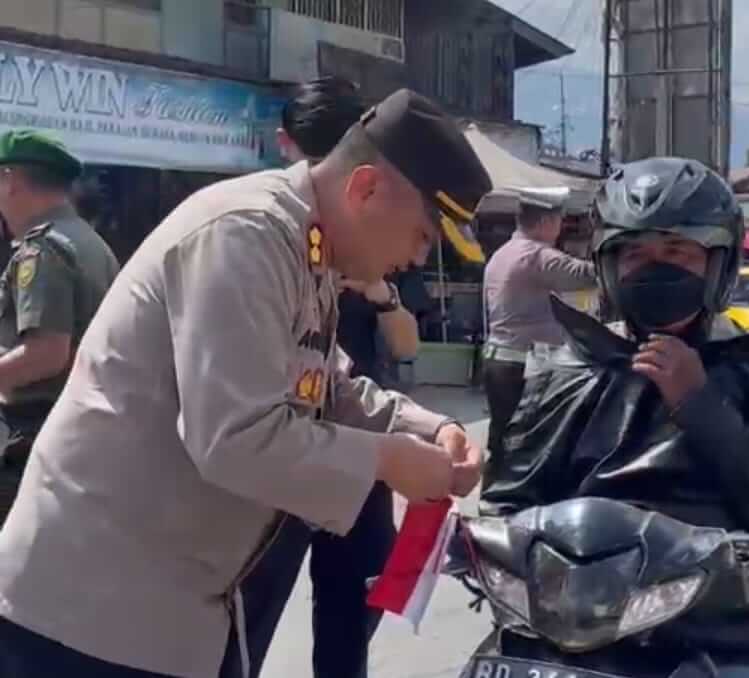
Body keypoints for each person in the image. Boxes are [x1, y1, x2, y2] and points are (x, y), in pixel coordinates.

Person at [0, 88, 492, 678]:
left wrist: (430, 427)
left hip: (172, 606)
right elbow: (235, 439)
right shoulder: (247, 234)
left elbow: (323, 383)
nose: (417, 259)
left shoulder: (304, 247)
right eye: (423, 236)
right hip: (88, 614)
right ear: (365, 189)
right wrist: (387, 460)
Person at [481, 157, 749, 678]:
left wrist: (700, 405)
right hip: (573, 645)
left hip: (721, 646)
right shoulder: (571, 375)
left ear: (718, 264)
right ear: (610, 266)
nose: (656, 267)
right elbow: (506, 510)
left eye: (678, 251)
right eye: (636, 252)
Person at [235, 76, 427, 678]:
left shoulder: (383, 243)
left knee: (353, 603)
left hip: (360, 446)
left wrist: (382, 293)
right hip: (281, 450)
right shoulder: (268, 238)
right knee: (250, 606)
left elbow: (407, 346)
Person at [0, 130, 119, 526]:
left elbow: (47, 354)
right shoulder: (88, 241)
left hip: (33, 435)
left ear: (11, 180)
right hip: (77, 430)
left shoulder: (44, 249)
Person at [481, 186, 596, 487]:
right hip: (523, 366)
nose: (560, 229)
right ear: (545, 222)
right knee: (531, 442)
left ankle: (492, 498)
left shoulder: (502, 253)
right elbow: (588, 275)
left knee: (502, 438)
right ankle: (512, 502)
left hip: (498, 359)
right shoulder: (537, 255)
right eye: (559, 221)